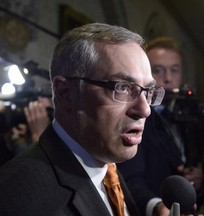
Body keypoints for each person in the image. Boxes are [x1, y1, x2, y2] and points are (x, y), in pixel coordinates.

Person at [0, 22, 165, 216]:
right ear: (65, 93)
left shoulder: (107, 167)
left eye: (148, 91)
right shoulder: (15, 199)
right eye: (123, 87)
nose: (145, 110)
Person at [118, 37, 204, 216]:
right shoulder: (135, 115)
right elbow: (130, 179)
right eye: (158, 71)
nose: (168, 79)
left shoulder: (187, 117)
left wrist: (197, 177)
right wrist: (157, 206)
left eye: (174, 70)